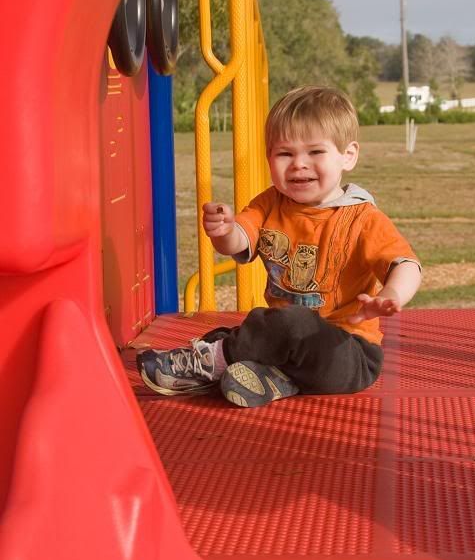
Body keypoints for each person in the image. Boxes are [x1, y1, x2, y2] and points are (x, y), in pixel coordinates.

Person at [137, 86, 421, 407]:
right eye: (285, 154)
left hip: (346, 354)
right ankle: (270, 379)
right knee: (265, 328)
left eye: (315, 152)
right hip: (288, 346)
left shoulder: (362, 217)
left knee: (288, 322)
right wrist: (224, 230)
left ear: (348, 155)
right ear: (269, 157)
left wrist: (390, 295)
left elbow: (405, 264)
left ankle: (212, 362)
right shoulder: (270, 203)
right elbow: (240, 241)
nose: (298, 164)